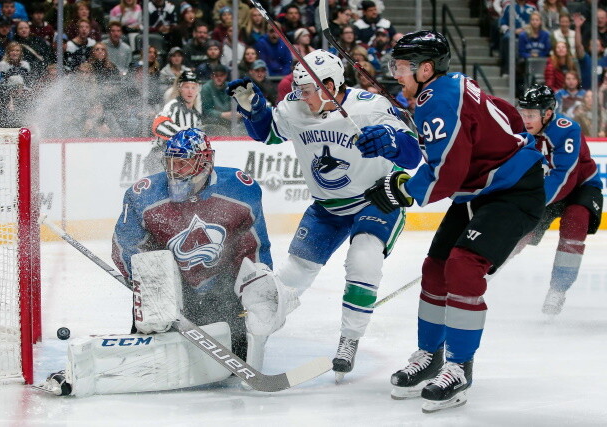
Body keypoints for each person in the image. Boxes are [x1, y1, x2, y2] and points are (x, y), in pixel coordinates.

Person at [365, 31, 545, 413]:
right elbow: (503, 115)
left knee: (463, 266)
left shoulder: (439, 99)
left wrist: (402, 189)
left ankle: (460, 366)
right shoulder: (452, 84)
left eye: (400, 66)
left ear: (425, 69)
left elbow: (447, 170)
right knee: (435, 268)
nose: (395, 72)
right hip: (482, 190)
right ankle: (430, 355)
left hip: (512, 191)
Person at [38, 128, 295, 396]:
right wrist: (151, 290)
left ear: (206, 162)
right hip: (168, 291)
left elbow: (254, 247)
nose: (175, 171)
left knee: (232, 362)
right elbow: (126, 246)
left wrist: (255, 289)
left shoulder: (240, 189)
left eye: (183, 163)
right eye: (171, 162)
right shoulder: (144, 194)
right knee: (151, 357)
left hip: (221, 291)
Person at [226, 49, 421, 381]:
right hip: (326, 207)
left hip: (374, 200)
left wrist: (389, 141)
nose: (301, 96)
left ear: (330, 85)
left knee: (363, 257)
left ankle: (349, 340)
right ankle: (252, 331)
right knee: (296, 271)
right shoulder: (293, 108)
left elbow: (412, 153)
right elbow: (266, 133)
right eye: (299, 90)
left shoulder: (370, 106)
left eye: (307, 90)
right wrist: (254, 109)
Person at [512, 84, 603, 315]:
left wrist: (532, 204)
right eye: (522, 112)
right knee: (520, 231)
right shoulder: (519, 130)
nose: (525, 119)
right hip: (545, 189)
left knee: (575, 220)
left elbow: (565, 177)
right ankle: (486, 271)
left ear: (548, 113)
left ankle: (558, 290)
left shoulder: (566, 129)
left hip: (580, 187)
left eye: (531, 114)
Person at [148, 70, 202, 175]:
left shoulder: (195, 115)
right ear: (180, 88)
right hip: (161, 157)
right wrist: (184, 136)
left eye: (193, 87)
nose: (190, 91)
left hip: (181, 162)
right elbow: (158, 125)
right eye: (186, 87)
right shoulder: (173, 106)